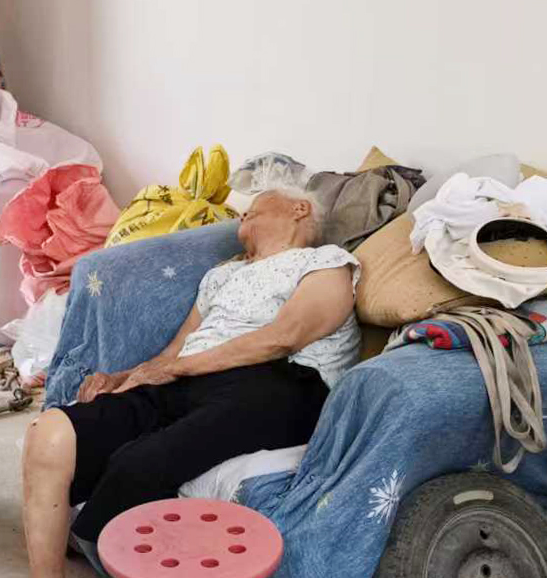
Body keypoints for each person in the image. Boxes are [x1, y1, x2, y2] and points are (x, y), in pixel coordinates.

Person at [21, 188, 361, 577]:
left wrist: (179, 369)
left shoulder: (326, 262)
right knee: (50, 433)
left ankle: (101, 540)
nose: (242, 217)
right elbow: (174, 353)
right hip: (193, 375)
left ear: (298, 208)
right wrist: (122, 378)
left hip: (279, 379)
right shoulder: (223, 275)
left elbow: (285, 337)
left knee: (139, 464)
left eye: (253, 209)